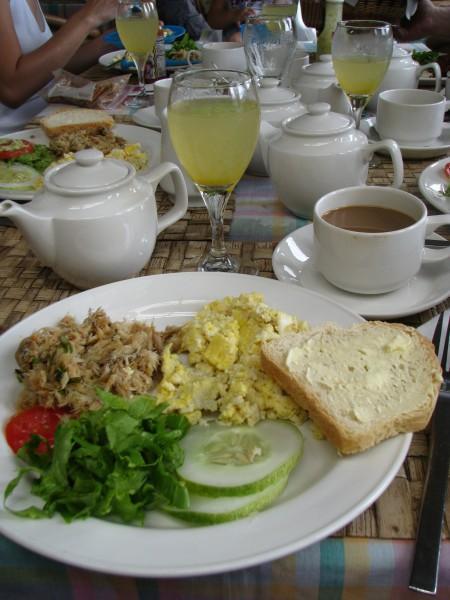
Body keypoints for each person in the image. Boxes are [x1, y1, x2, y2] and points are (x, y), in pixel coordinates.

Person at [0, 0, 119, 134]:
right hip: (13, 138)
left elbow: (45, 72)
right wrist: (89, 17)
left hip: (46, 120)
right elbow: (12, 90)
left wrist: (113, 39)